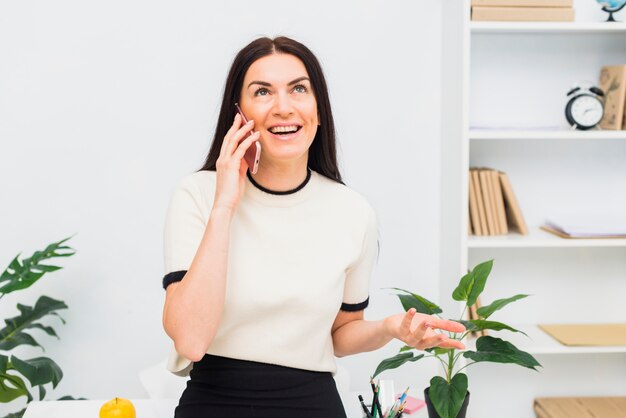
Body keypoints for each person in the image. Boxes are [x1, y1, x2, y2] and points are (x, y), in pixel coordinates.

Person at [161, 36, 465, 418]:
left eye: (299, 89)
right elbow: (190, 340)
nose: (283, 107)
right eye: (262, 92)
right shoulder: (198, 195)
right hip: (215, 400)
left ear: (318, 110)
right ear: (239, 113)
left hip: (312, 404)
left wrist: (390, 327)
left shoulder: (353, 211)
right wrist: (224, 204)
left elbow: (340, 334)